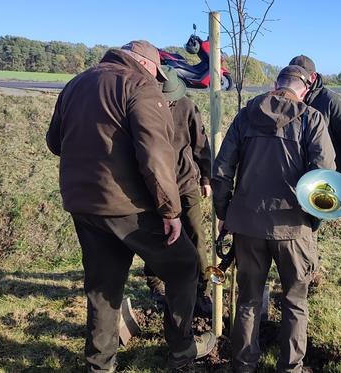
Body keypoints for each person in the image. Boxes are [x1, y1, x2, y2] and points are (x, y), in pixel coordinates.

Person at [45, 40, 215, 372]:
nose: (158, 79)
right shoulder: (139, 84)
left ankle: (100, 364)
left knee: (102, 286)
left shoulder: (76, 83)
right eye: (157, 72)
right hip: (128, 207)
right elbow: (155, 154)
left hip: (83, 204)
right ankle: (182, 349)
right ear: (148, 65)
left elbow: (54, 143)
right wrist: (170, 211)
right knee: (184, 264)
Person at [212, 65, 335, 372]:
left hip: (248, 226)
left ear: (275, 85)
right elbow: (324, 180)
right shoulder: (311, 119)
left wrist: (226, 214)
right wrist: (312, 223)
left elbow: (221, 171)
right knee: (295, 301)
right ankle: (290, 368)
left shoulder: (245, 116)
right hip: (294, 228)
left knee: (248, 300)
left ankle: (243, 365)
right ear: (304, 89)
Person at [144, 66, 213, 316]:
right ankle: (156, 284)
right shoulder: (142, 106)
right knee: (156, 237)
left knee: (196, 235)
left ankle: (202, 290)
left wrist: (206, 176)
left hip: (185, 183)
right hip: (152, 186)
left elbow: (200, 144)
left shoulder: (187, 107)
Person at [289, 55, 341, 207]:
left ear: (313, 76)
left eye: (302, 77)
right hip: (296, 175)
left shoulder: (332, 102)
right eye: (293, 76)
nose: (298, 81)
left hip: (325, 177)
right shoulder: (288, 100)